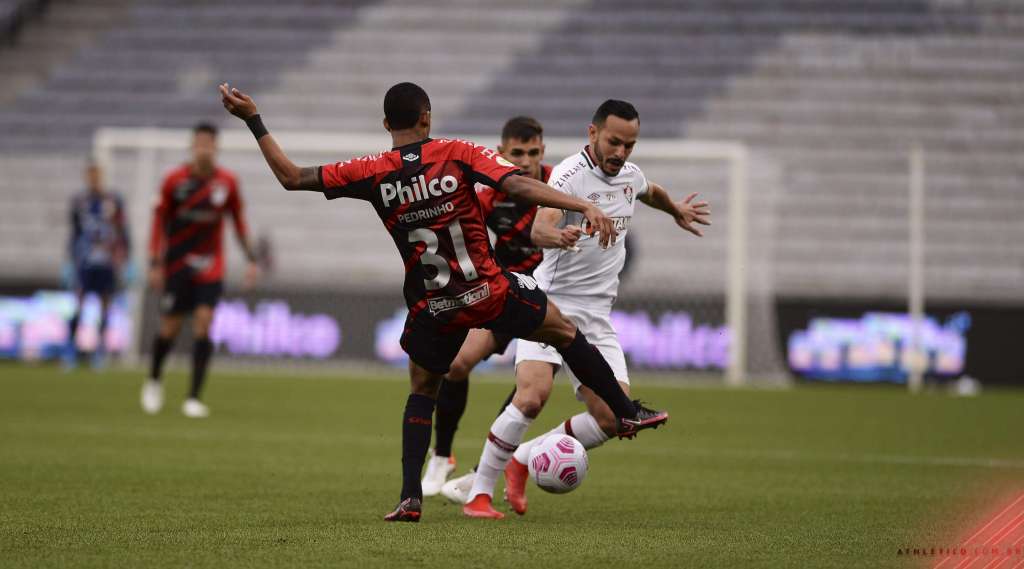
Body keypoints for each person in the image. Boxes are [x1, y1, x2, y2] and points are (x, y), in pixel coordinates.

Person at [218, 81, 668, 522]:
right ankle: (625, 411)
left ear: (385, 124)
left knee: (422, 390)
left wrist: (253, 120)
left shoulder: (372, 170)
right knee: (565, 331)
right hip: (489, 290)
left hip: (434, 304)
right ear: (426, 118)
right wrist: (581, 204)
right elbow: (517, 186)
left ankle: (411, 497)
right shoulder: (456, 152)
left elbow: (291, 177)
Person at [461, 99, 710, 519]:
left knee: (614, 418)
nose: (621, 152)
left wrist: (677, 211)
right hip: (552, 304)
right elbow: (540, 226)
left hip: (597, 314)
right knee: (531, 397)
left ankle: (523, 458)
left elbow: (652, 192)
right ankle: (479, 495)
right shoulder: (567, 176)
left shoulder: (630, 175)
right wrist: (558, 237)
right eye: (614, 142)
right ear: (593, 134)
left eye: (629, 145)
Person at [421, 116, 559, 497]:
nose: (526, 161)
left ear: (543, 152)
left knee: (528, 391)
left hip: (550, 299)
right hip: (505, 293)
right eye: (518, 153)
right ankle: (441, 456)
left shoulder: (559, 186)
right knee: (456, 363)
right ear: (501, 153)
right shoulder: (489, 195)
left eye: (533, 153)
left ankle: (482, 471)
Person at [141, 122, 259, 419]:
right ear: (192, 147)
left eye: (209, 143)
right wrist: (154, 262)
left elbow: (239, 223)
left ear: (216, 147)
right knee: (170, 328)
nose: (204, 148)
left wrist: (251, 259)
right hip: (177, 265)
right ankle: (154, 380)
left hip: (210, 266)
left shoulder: (227, 183)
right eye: (199, 143)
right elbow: (158, 224)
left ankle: (193, 397)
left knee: (204, 324)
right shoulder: (174, 181)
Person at [64, 162, 131, 369]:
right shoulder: (79, 201)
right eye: (90, 176)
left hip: (107, 263)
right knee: (79, 305)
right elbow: (74, 233)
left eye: (97, 175)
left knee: (105, 306)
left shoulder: (114, 200)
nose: (93, 179)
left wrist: (127, 257)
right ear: (86, 177)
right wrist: (69, 260)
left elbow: (123, 230)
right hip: (85, 261)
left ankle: (99, 352)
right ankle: (71, 350)